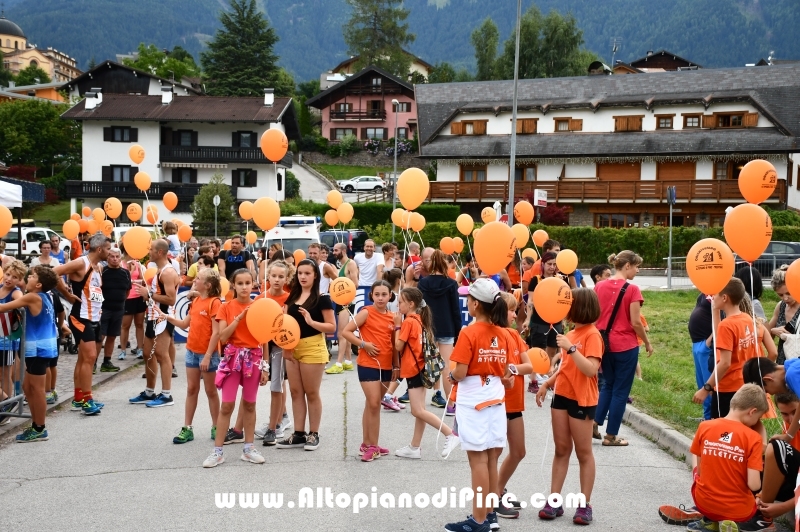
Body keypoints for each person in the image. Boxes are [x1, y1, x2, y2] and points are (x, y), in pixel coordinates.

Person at [444, 278, 511, 532]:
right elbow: (504, 370)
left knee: (478, 462)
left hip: (473, 402)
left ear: (474, 304)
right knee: (491, 459)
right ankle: (490, 515)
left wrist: (451, 376)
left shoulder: (468, 332)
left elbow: (459, 372)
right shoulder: (503, 333)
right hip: (496, 400)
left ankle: (478, 521)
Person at [536, 287, 604, 525]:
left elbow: (591, 369)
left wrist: (571, 348)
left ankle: (585, 504)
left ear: (578, 307)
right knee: (561, 449)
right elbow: (566, 368)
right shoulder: (572, 333)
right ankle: (554, 500)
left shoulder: (592, 335)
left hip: (582, 399)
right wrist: (547, 384)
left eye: (568, 304)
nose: (564, 308)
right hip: (562, 397)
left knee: (583, 453)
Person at [203, 269, 266, 467]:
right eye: (240, 283)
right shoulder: (226, 307)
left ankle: (248, 448)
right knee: (227, 405)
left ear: (253, 284)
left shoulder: (260, 306)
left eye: (248, 283)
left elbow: (264, 338)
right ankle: (217, 451)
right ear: (233, 285)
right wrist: (239, 318)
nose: (245, 287)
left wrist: (265, 367)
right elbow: (222, 337)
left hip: (253, 359)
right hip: (232, 359)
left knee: (250, 404)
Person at [688, 383, 768, 531]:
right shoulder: (754, 438)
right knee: (755, 499)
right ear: (753, 411)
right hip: (739, 511)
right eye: (758, 417)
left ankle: (710, 520)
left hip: (703, 503)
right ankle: (731, 521)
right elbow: (754, 485)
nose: (757, 422)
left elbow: (699, 471)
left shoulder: (705, 426)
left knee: (697, 457)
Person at [393, 287, 460, 459]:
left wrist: (397, 326)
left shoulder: (408, 321)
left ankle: (449, 434)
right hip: (421, 367)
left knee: (417, 410)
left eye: (400, 302)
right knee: (420, 409)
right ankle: (414, 447)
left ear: (411, 304)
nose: (398, 305)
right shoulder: (419, 319)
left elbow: (398, 346)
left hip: (414, 369)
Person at [593, 251, 652, 446]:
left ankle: (594, 422)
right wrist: (648, 342)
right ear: (627, 266)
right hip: (625, 345)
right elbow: (636, 322)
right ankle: (611, 436)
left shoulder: (599, 286)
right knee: (620, 390)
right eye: (636, 267)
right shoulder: (632, 289)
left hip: (603, 344)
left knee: (608, 385)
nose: (637, 270)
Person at [276, 259, 335, 451]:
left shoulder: (322, 297)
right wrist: (285, 347)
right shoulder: (292, 296)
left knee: (311, 392)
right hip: (293, 348)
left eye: (307, 273)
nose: (302, 276)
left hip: (313, 347)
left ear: (315, 275)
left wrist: (311, 322)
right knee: (295, 392)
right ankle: (299, 433)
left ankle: (313, 433)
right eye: (300, 273)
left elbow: (332, 327)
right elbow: (283, 323)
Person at [160, 268, 222, 444]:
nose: (194, 281)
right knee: (191, 389)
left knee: (211, 391)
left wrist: (208, 355)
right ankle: (187, 428)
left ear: (207, 285)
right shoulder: (195, 301)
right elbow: (185, 323)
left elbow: (216, 333)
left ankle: (217, 426)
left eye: (198, 279)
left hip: (207, 354)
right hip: (191, 352)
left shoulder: (214, 303)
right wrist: (168, 317)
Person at [54, 234, 112, 416]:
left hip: (94, 318)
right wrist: (66, 293)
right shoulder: (81, 263)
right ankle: (87, 400)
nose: (110, 253)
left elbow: (95, 293)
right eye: (108, 249)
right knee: (90, 357)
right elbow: (54, 272)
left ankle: (78, 398)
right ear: (100, 249)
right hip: (80, 318)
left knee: (83, 359)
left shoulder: (100, 267)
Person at [341, 280, 398, 462]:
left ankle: (367, 443)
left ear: (390, 295)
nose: (380, 298)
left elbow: (395, 345)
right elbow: (346, 331)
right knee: (374, 404)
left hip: (387, 366)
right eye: (377, 294)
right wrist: (363, 344)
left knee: (371, 405)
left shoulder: (394, 317)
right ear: (371, 295)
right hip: (368, 364)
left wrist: (397, 366)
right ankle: (373, 447)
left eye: (384, 294)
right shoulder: (366, 312)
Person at [4, 266, 59, 442]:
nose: (28, 278)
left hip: (38, 349)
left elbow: (4, 307)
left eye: (32, 276)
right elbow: (19, 282)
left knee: (37, 390)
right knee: (28, 388)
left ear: (39, 284)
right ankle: (36, 424)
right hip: (43, 347)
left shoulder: (32, 297)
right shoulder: (44, 295)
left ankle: (39, 428)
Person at [693, 278, 759, 419]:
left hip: (727, 387)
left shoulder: (727, 325)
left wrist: (707, 388)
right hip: (743, 384)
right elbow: (720, 337)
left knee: (723, 432)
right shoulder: (746, 318)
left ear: (724, 298)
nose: (711, 297)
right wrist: (715, 311)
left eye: (714, 295)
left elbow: (725, 363)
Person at [495, 292, 534, 520]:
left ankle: (498, 489)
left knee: (519, 451)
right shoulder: (491, 335)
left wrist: (513, 369)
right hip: (497, 403)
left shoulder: (514, 335)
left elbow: (528, 366)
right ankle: (494, 495)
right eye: (510, 310)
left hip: (514, 403)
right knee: (495, 453)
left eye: (514, 310)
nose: (514, 314)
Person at [128, 239, 179, 408]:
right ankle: (149, 391)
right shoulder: (158, 270)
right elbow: (156, 292)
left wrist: (148, 294)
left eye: (151, 249)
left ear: (159, 252)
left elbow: (171, 300)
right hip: (152, 316)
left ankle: (166, 395)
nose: (148, 252)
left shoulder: (168, 273)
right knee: (147, 353)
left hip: (163, 317)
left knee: (161, 354)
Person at [419, 249, 462, 411]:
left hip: (428, 327)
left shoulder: (423, 283)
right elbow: (455, 311)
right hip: (447, 328)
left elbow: (420, 307)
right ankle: (451, 405)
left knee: (427, 365)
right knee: (446, 367)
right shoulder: (451, 283)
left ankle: (421, 402)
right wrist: (458, 332)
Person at [255, 261, 293, 446]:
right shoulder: (260, 298)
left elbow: (290, 326)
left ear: (286, 279)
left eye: (281, 277)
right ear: (268, 276)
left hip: (279, 347)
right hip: (261, 346)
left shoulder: (289, 298)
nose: (277, 280)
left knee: (276, 386)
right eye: (274, 276)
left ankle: (273, 427)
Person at [757, 393, 800, 523]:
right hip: (795, 480)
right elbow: (782, 463)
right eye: (785, 414)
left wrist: (784, 507)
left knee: (777, 446)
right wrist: (761, 494)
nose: (791, 419)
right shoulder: (789, 427)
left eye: (795, 412)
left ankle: (763, 518)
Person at [523, 252, 563, 361]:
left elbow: (563, 301)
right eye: (549, 264)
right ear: (543, 265)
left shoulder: (559, 280)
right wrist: (527, 319)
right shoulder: (536, 280)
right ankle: (537, 375)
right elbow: (530, 301)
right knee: (539, 350)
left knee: (553, 348)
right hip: (539, 320)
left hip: (556, 319)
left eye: (554, 264)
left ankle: (549, 372)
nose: (552, 267)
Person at [326, 243, 358, 375]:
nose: (334, 252)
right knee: (346, 332)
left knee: (342, 333)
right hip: (342, 300)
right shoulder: (342, 265)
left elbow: (355, 283)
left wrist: (345, 293)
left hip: (347, 301)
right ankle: (349, 362)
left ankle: (338, 363)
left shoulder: (351, 264)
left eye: (336, 250)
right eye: (333, 250)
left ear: (344, 251)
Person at [97, 247, 130, 373]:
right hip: (104, 309)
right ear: (107, 258)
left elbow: (127, 291)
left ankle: (107, 361)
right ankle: (93, 362)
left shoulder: (125, 273)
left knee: (112, 336)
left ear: (120, 258)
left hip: (119, 309)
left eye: (117, 256)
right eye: (112, 256)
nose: (115, 259)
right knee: (100, 336)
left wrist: (120, 301)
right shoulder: (103, 271)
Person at [0, 260, 24, 409]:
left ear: (19, 279)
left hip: (6, 338)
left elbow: (21, 303)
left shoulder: (15, 292)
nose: (9, 279)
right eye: (8, 274)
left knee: (4, 374)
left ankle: (7, 407)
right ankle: (7, 402)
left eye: (14, 277)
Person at [688, 293, 714, 421]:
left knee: (708, 381)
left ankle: (710, 417)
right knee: (701, 382)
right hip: (698, 343)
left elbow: (721, 318)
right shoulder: (704, 292)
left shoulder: (717, 294)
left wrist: (709, 341)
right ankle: (706, 415)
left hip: (705, 345)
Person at [118, 243, 145, 360]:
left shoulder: (137, 264)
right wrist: (132, 271)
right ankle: (123, 350)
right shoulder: (120, 264)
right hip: (127, 298)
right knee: (125, 326)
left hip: (139, 296)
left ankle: (140, 348)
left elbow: (143, 280)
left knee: (139, 324)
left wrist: (137, 275)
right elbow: (122, 281)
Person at [768, 265, 799, 365]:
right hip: (783, 363)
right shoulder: (780, 307)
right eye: (780, 295)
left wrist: (790, 337)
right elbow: (768, 334)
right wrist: (773, 330)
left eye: (788, 293)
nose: (785, 298)